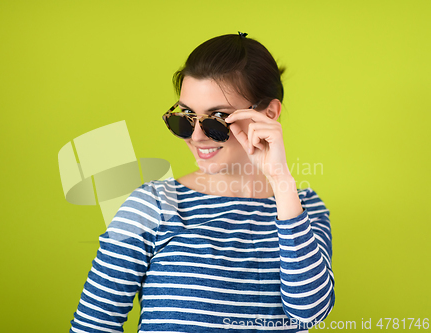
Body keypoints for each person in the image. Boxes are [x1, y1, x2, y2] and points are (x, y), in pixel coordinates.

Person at [69, 32, 335, 333]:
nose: (196, 136)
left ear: (269, 114)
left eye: (218, 118)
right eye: (185, 116)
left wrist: (281, 181)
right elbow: (93, 325)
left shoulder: (303, 208)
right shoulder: (153, 205)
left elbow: (309, 313)